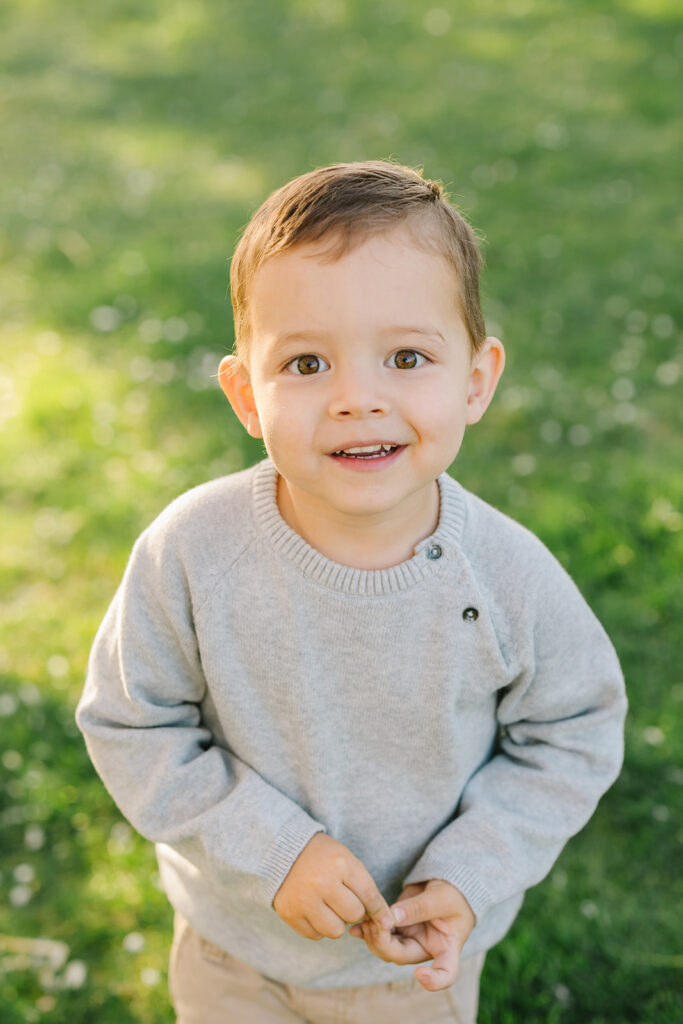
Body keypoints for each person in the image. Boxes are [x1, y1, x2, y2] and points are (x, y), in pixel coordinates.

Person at [76, 160, 627, 1024]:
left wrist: (468, 871)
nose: (356, 400)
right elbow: (131, 721)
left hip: (409, 965)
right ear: (245, 395)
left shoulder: (508, 578)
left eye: (406, 357)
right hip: (234, 951)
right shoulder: (191, 552)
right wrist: (271, 850)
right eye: (304, 364)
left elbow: (574, 730)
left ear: (476, 379)